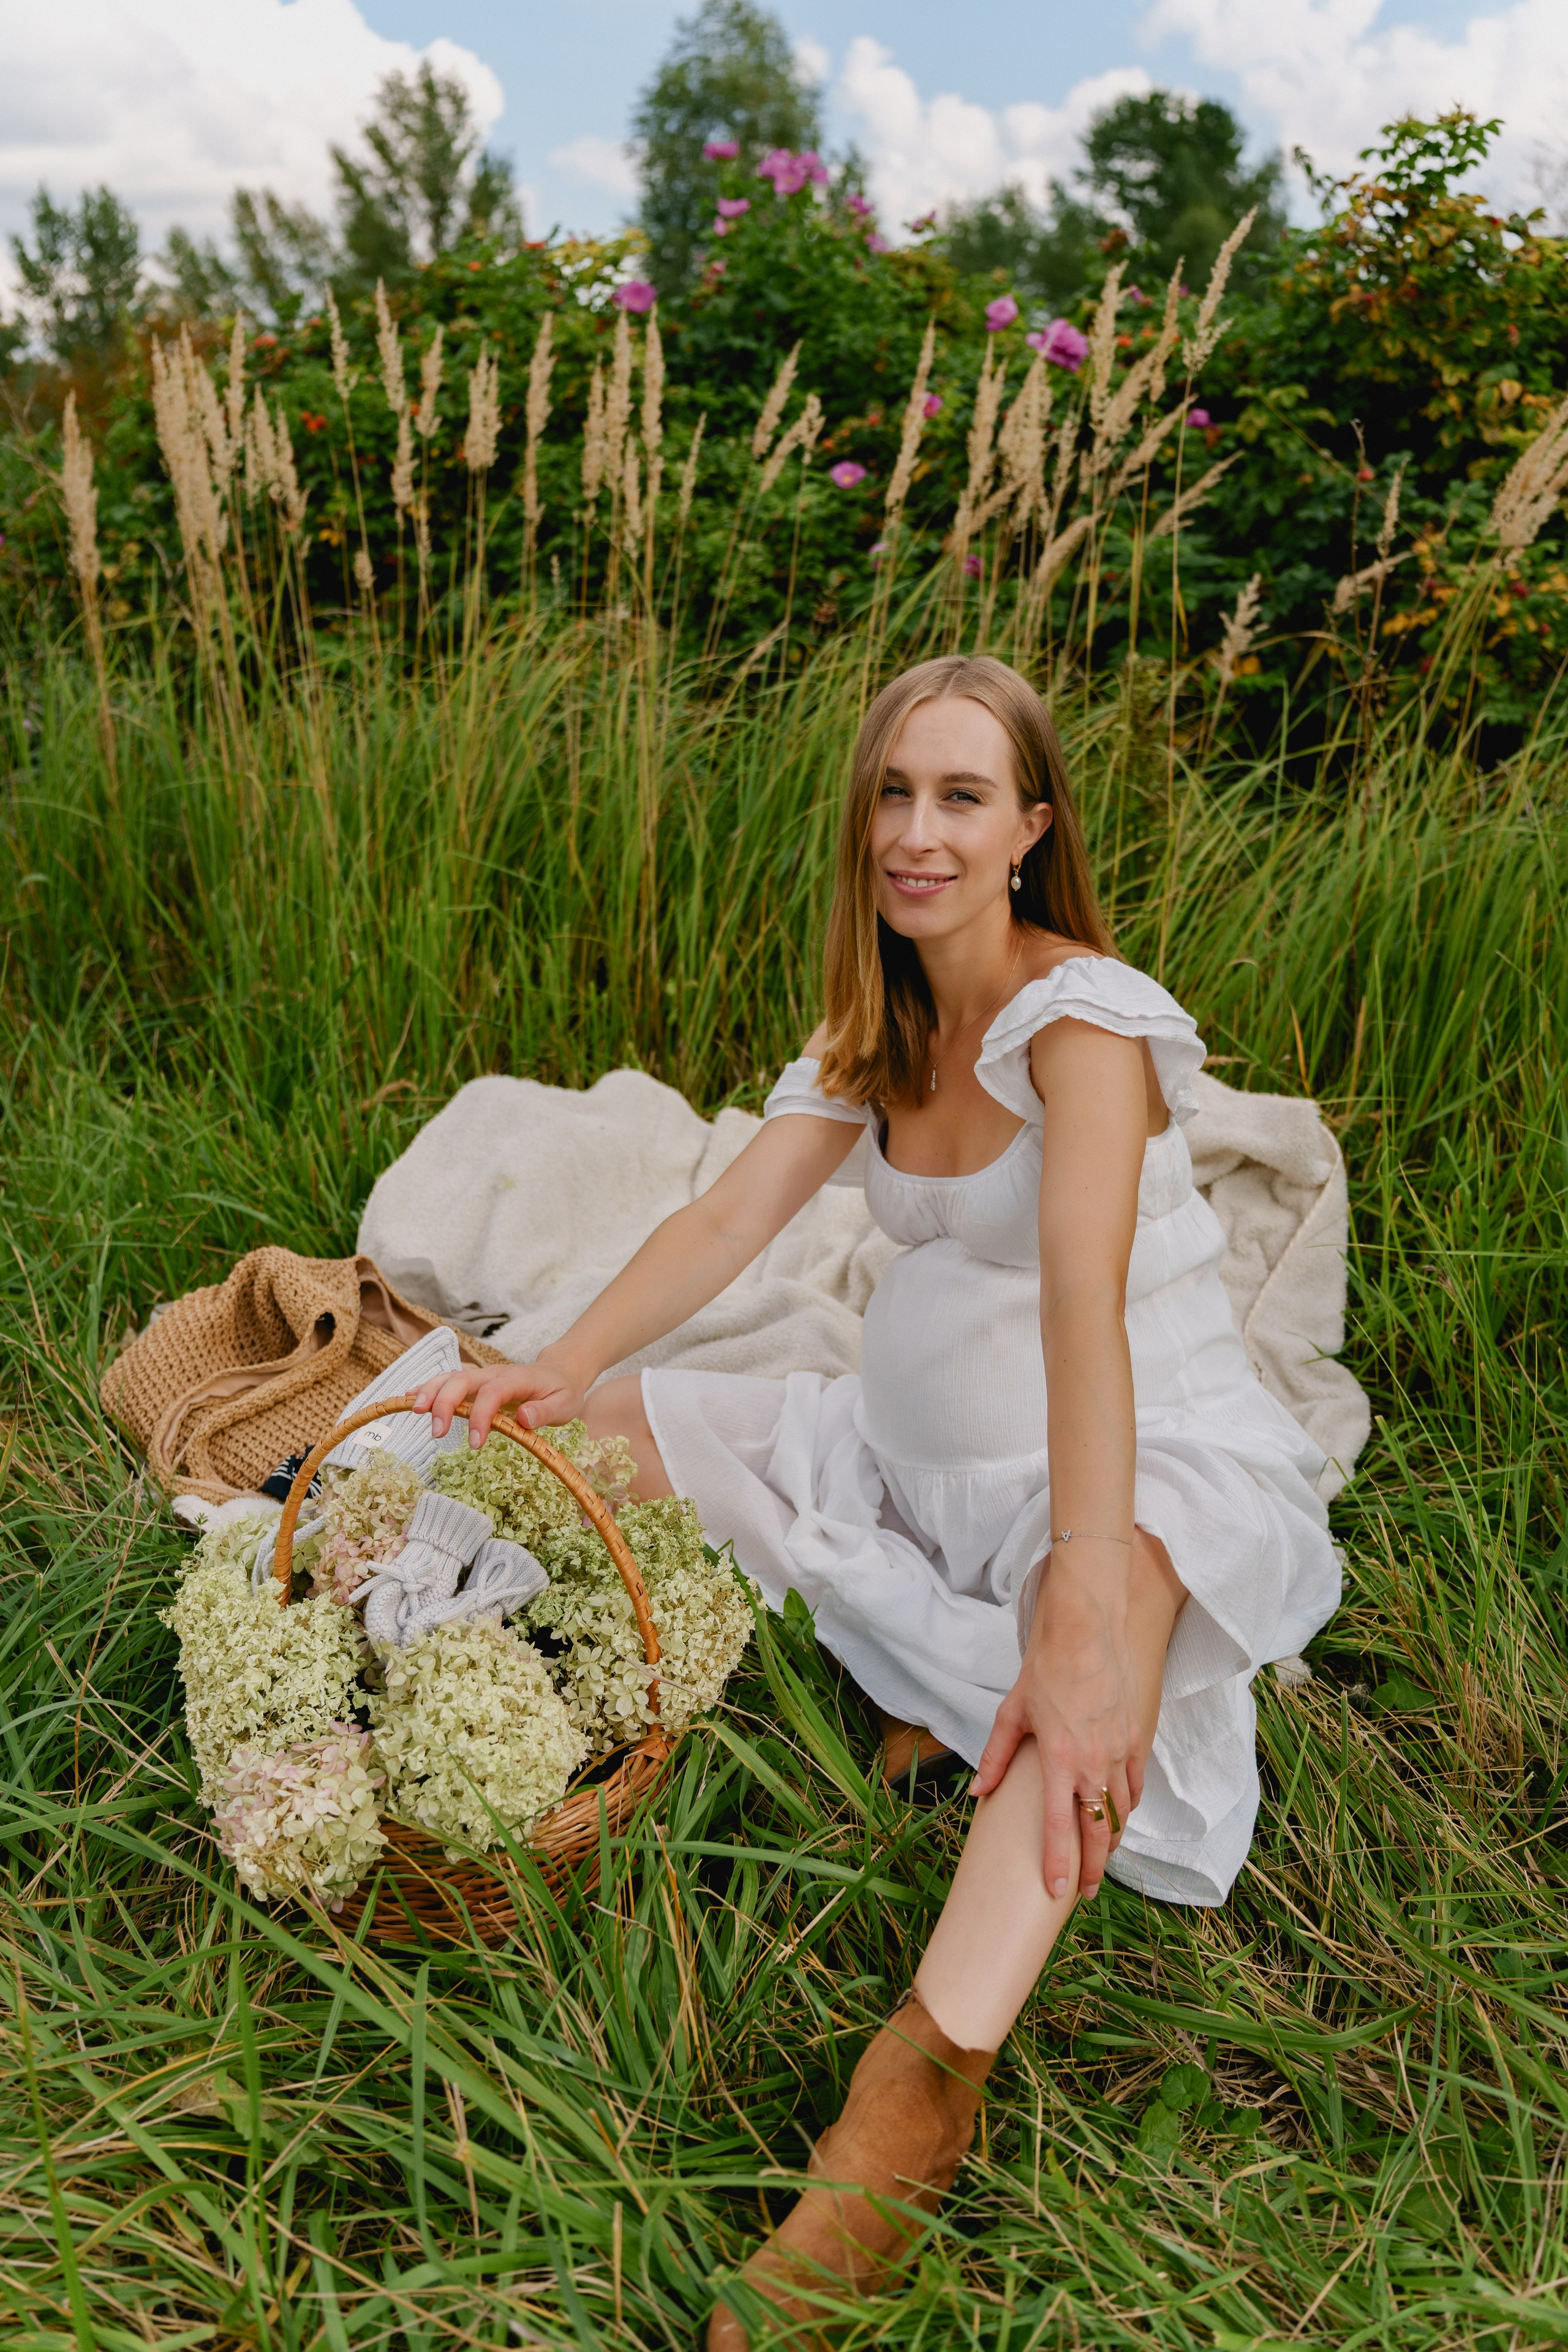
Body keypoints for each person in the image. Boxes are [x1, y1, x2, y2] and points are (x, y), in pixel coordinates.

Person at [415, 654, 1340, 2347]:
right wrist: (548, 1365)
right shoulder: (880, 1024)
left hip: (1120, 1460)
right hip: (905, 1461)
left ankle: (910, 2104)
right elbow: (721, 1232)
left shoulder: (1093, 1027)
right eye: (895, 795)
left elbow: (1079, 1298)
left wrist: (1079, 1562)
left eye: (963, 796)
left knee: (1107, 1622)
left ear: (1029, 830)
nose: (920, 831)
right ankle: (908, 1682)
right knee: (586, 1436)